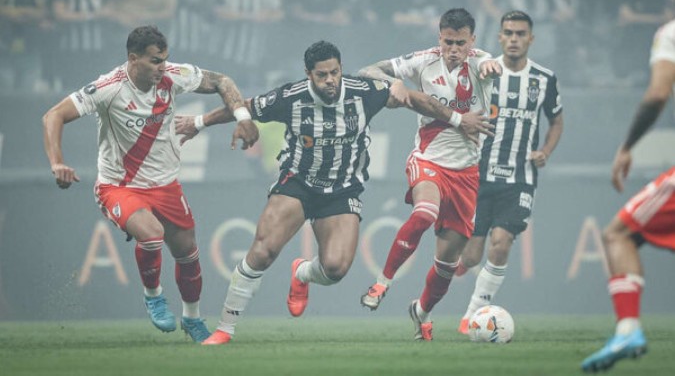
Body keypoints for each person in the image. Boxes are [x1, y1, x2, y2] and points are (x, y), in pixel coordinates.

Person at [173, 40, 494, 345]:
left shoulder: (364, 92)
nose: (330, 81)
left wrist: (450, 116)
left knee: (336, 268)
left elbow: (414, 100)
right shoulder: (291, 97)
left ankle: (301, 272)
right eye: (322, 75)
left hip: (342, 191)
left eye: (335, 72)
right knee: (263, 250)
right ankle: (225, 329)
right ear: (308, 74)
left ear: (341, 69)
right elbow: (244, 107)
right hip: (297, 183)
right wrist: (199, 122)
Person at [42, 25, 259, 343]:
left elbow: (221, 81)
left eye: (165, 59)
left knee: (188, 254)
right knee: (152, 234)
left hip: (166, 185)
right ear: (133, 59)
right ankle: (153, 295)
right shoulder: (108, 87)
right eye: (156, 61)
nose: (163, 67)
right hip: (119, 186)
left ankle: (193, 318)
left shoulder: (173, 75)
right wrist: (57, 163)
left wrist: (242, 117)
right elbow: (53, 116)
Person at [358, 8, 503, 341]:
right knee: (424, 213)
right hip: (428, 160)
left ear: (473, 41)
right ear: (439, 37)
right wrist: (393, 80)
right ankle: (382, 283)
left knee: (447, 264)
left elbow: (489, 65)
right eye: (448, 41)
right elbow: (366, 71)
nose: (454, 49)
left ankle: (420, 312)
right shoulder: (423, 60)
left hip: (466, 173)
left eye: (461, 43)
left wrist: (493, 65)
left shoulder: (481, 62)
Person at [580, 0, 675, 373]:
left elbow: (657, 95)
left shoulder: (670, 33)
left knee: (619, 233)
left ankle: (628, 330)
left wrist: (627, 145)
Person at [454, 10, 564, 335]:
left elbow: (556, 120)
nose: (514, 39)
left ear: (531, 38)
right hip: (479, 176)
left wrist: (544, 151)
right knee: (472, 256)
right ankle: (463, 265)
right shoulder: (485, 72)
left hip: (520, 179)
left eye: (520, 34)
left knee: (501, 242)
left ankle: (472, 313)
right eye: (508, 33)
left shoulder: (544, 79)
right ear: (499, 37)